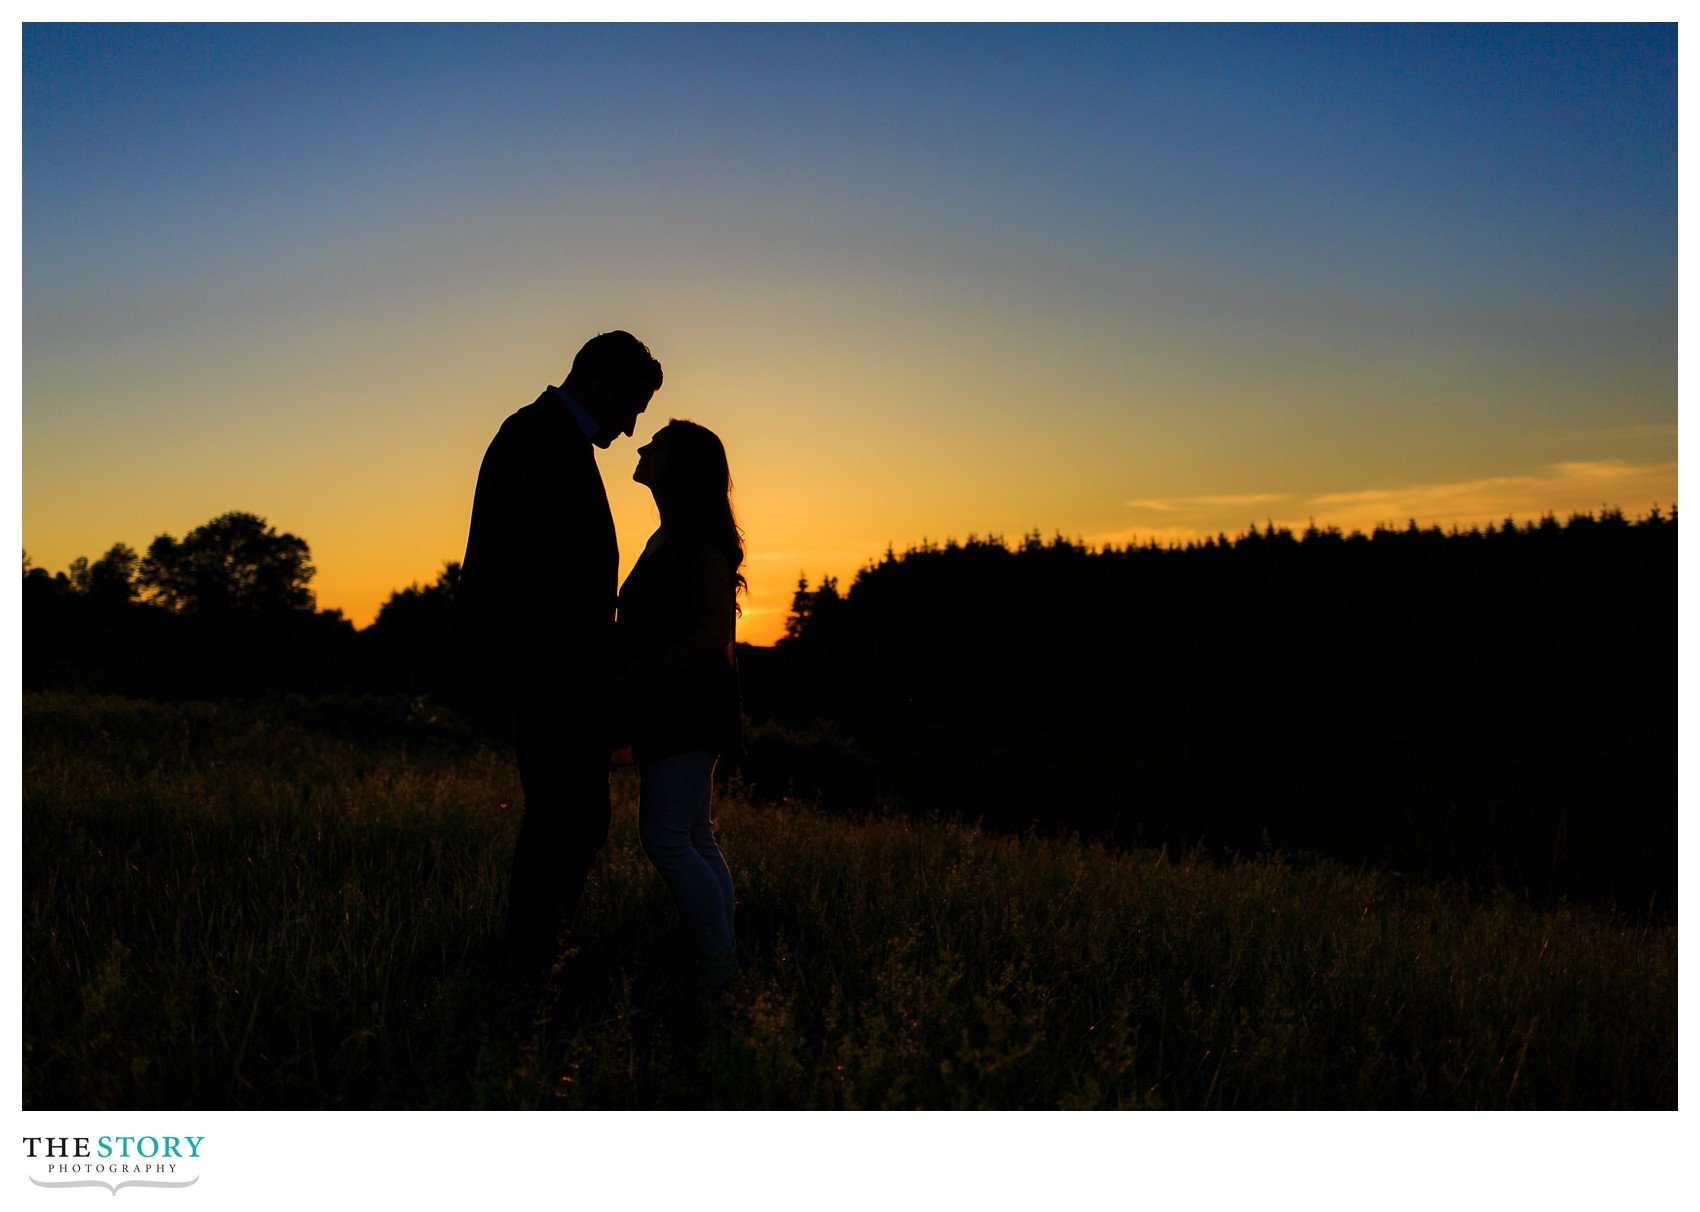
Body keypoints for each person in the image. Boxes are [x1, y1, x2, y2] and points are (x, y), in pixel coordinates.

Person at [454, 330, 663, 976]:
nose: (630, 430)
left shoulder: (552, 439)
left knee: (574, 822)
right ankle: (532, 968)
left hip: (562, 679)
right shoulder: (537, 440)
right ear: (602, 382)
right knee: (563, 826)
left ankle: (537, 960)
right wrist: (505, 683)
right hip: (550, 680)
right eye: (632, 409)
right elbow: (504, 572)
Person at [613, 419, 745, 990]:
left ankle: (719, 971)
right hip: (676, 703)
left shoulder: (701, 542)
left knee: (667, 836)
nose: (642, 447)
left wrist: (644, 673)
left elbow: (715, 629)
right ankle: (723, 963)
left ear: (682, 465)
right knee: (692, 834)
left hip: (687, 704)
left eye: (658, 445)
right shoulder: (670, 534)